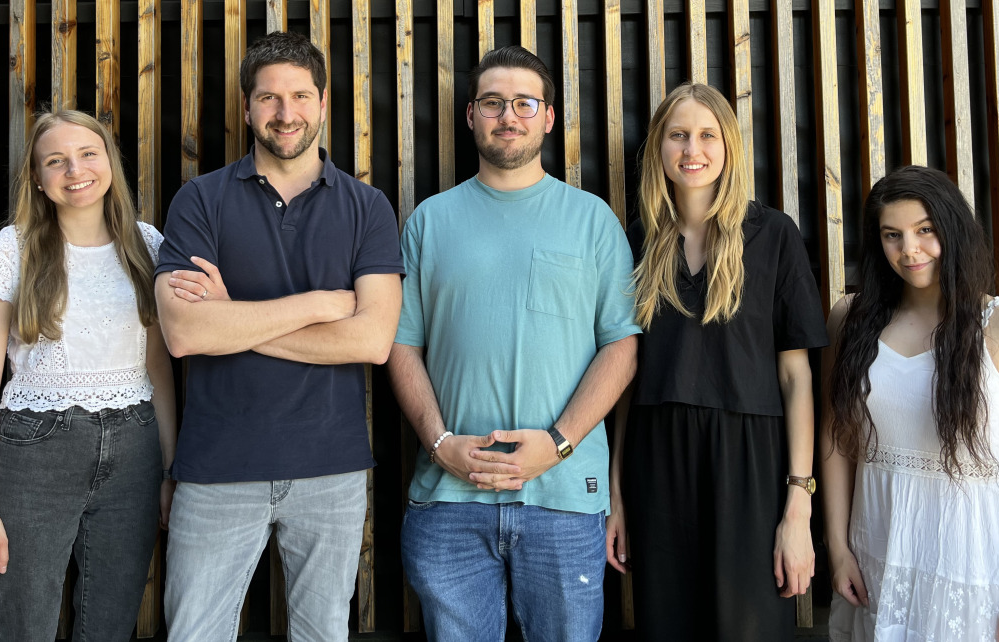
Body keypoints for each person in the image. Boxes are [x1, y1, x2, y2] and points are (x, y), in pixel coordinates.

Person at [154, 30, 403, 642]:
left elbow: (372, 341)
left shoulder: (368, 207)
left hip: (330, 469)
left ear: (323, 103)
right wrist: (319, 306)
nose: (285, 113)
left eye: (299, 96)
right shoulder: (199, 200)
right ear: (246, 107)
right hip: (216, 469)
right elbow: (184, 333)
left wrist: (231, 319)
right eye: (268, 98)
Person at [387, 45, 640, 642]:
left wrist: (557, 444)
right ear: (471, 114)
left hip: (563, 500)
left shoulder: (593, 221)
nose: (509, 116)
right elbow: (401, 347)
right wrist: (441, 445)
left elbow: (622, 347)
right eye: (493, 103)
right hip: (450, 498)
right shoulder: (429, 221)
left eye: (525, 103)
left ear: (548, 117)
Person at [604, 82, 827, 641]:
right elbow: (625, 380)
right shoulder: (636, 241)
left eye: (707, 136)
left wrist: (798, 506)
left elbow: (796, 378)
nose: (692, 150)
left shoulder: (773, 235)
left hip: (753, 462)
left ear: (729, 145)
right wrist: (617, 495)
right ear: (658, 147)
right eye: (678, 135)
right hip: (658, 462)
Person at [823, 165, 999, 642]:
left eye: (925, 230)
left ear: (952, 229)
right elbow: (836, 439)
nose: (909, 250)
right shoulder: (849, 320)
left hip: (979, 565)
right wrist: (837, 547)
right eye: (892, 235)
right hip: (879, 554)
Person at [0, 109, 176, 641]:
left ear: (109, 163)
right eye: (55, 161)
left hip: (136, 448)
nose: (75, 170)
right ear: (37, 178)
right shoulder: (9, 251)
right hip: (37, 452)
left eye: (87, 154)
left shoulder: (147, 245)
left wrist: (171, 470)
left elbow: (158, 368)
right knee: (24, 621)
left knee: (111, 622)